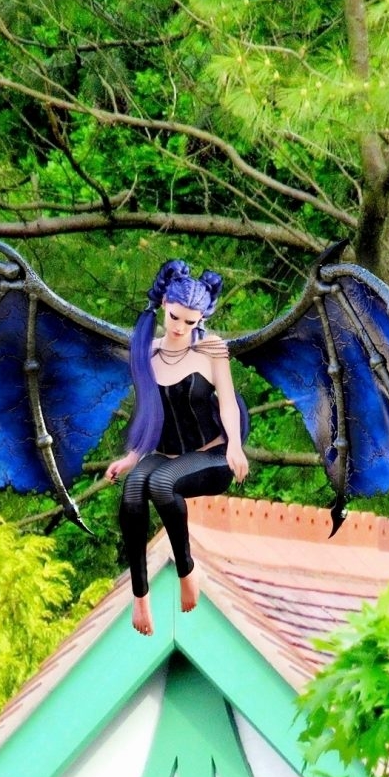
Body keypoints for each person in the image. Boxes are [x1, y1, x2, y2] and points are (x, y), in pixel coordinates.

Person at [103, 261, 251, 636]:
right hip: (163, 453)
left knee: (160, 484)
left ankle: (187, 569)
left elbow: (228, 403)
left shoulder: (212, 350)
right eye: (175, 318)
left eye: (190, 322)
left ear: (201, 318)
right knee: (133, 490)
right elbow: (150, 415)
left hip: (211, 456)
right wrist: (132, 457)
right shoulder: (147, 354)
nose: (181, 328)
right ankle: (140, 597)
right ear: (164, 305)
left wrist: (235, 445)